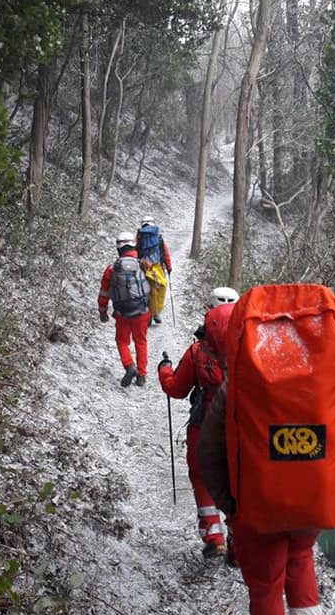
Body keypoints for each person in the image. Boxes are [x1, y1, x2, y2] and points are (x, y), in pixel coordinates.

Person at [197, 286, 335, 615]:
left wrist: (230, 504)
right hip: (313, 501)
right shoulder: (323, 384)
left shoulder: (241, 384)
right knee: (301, 560)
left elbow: (210, 452)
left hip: (259, 507)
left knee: (267, 584)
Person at [157, 286, 239, 559]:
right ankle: (238, 541)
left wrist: (164, 370)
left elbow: (176, 389)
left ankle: (214, 536)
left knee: (202, 477)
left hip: (204, 427)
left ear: (208, 312)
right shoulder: (252, 352)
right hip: (243, 429)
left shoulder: (197, 352)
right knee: (239, 482)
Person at [98, 232, 150, 387]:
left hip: (122, 313)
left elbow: (104, 292)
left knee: (122, 341)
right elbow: (153, 285)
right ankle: (141, 375)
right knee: (141, 341)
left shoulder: (112, 269)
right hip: (141, 311)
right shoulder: (143, 264)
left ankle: (129, 366)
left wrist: (102, 311)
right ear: (133, 245)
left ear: (118, 247)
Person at [136, 217, 172, 324]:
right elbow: (165, 254)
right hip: (157, 268)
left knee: (142, 290)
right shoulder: (159, 238)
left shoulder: (139, 237)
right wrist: (169, 268)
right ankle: (155, 313)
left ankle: (143, 314)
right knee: (156, 291)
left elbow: (134, 251)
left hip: (143, 267)